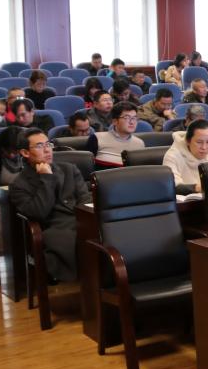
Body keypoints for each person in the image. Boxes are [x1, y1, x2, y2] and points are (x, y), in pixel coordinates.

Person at [8, 128, 92, 281]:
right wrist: (46, 179)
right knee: (67, 240)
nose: (47, 150)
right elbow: (38, 212)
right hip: (54, 227)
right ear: (25, 153)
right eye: (40, 146)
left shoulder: (69, 169)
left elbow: (85, 200)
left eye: (48, 144)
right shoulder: (18, 185)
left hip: (80, 219)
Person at [162, 119, 208, 194]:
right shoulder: (172, 156)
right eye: (199, 142)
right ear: (188, 141)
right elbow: (172, 186)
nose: (204, 147)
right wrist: (199, 188)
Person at [86, 102, 145, 167]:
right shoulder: (97, 138)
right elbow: (87, 167)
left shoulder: (140, 143)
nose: (132, 122)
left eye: (134, 118)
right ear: (115, 121)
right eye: (127, 117)